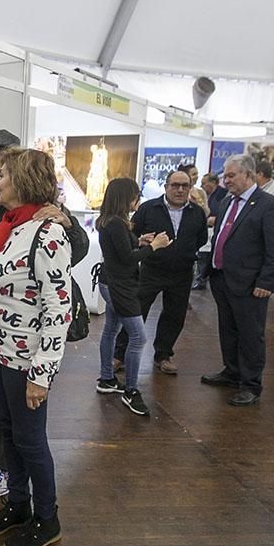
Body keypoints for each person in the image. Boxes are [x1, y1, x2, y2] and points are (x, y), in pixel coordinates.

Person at [0, 130, 88, 499]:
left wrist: (64, 220)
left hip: (21, 337)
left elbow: (59, 290)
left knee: (21, 424)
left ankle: (6, 467)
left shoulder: (43, 220)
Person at [200, 154, 274, 405]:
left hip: (250, 284)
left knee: (250, 335)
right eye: (225, 176)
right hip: (222, 278)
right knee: (228, 330)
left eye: (231, 175)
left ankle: (251, 384)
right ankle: (232, 371)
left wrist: (266, 282)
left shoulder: (271, 205)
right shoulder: (228, 202)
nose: (225, 180)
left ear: (249, 175)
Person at [112, 171, 208, 375]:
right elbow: (132, 234)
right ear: (166, 187)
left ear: (190, 188)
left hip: (182, 273)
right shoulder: (149, 208)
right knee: (136, 311)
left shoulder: (197, 213)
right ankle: (120, 355)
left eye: (184, 185)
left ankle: (163, 355)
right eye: (175, 185)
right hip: (151, 270)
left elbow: (200, 239)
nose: (180, 189)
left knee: (175, 315)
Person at [96, 178, 172, 415]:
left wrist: (139, 241)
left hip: (112, 283)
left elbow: (120, 251)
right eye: (134, 196)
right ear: (125, 197)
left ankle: (107, 379)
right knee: (138, 337)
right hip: (120, 287)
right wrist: (154, 247)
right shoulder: (117, 223)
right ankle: (130, 390)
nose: (136, 201)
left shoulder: (109, 221)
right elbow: (128, 259)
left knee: (111, 330)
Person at [193, 173, 227, 290]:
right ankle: (200, 279)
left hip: (215, 230)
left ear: (213, 183)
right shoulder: (204, 194)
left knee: (205, 256)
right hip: (205, 229)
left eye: (204, 183)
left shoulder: (223, 195)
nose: (202, 185)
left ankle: (201, 279)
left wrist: (215, 219)